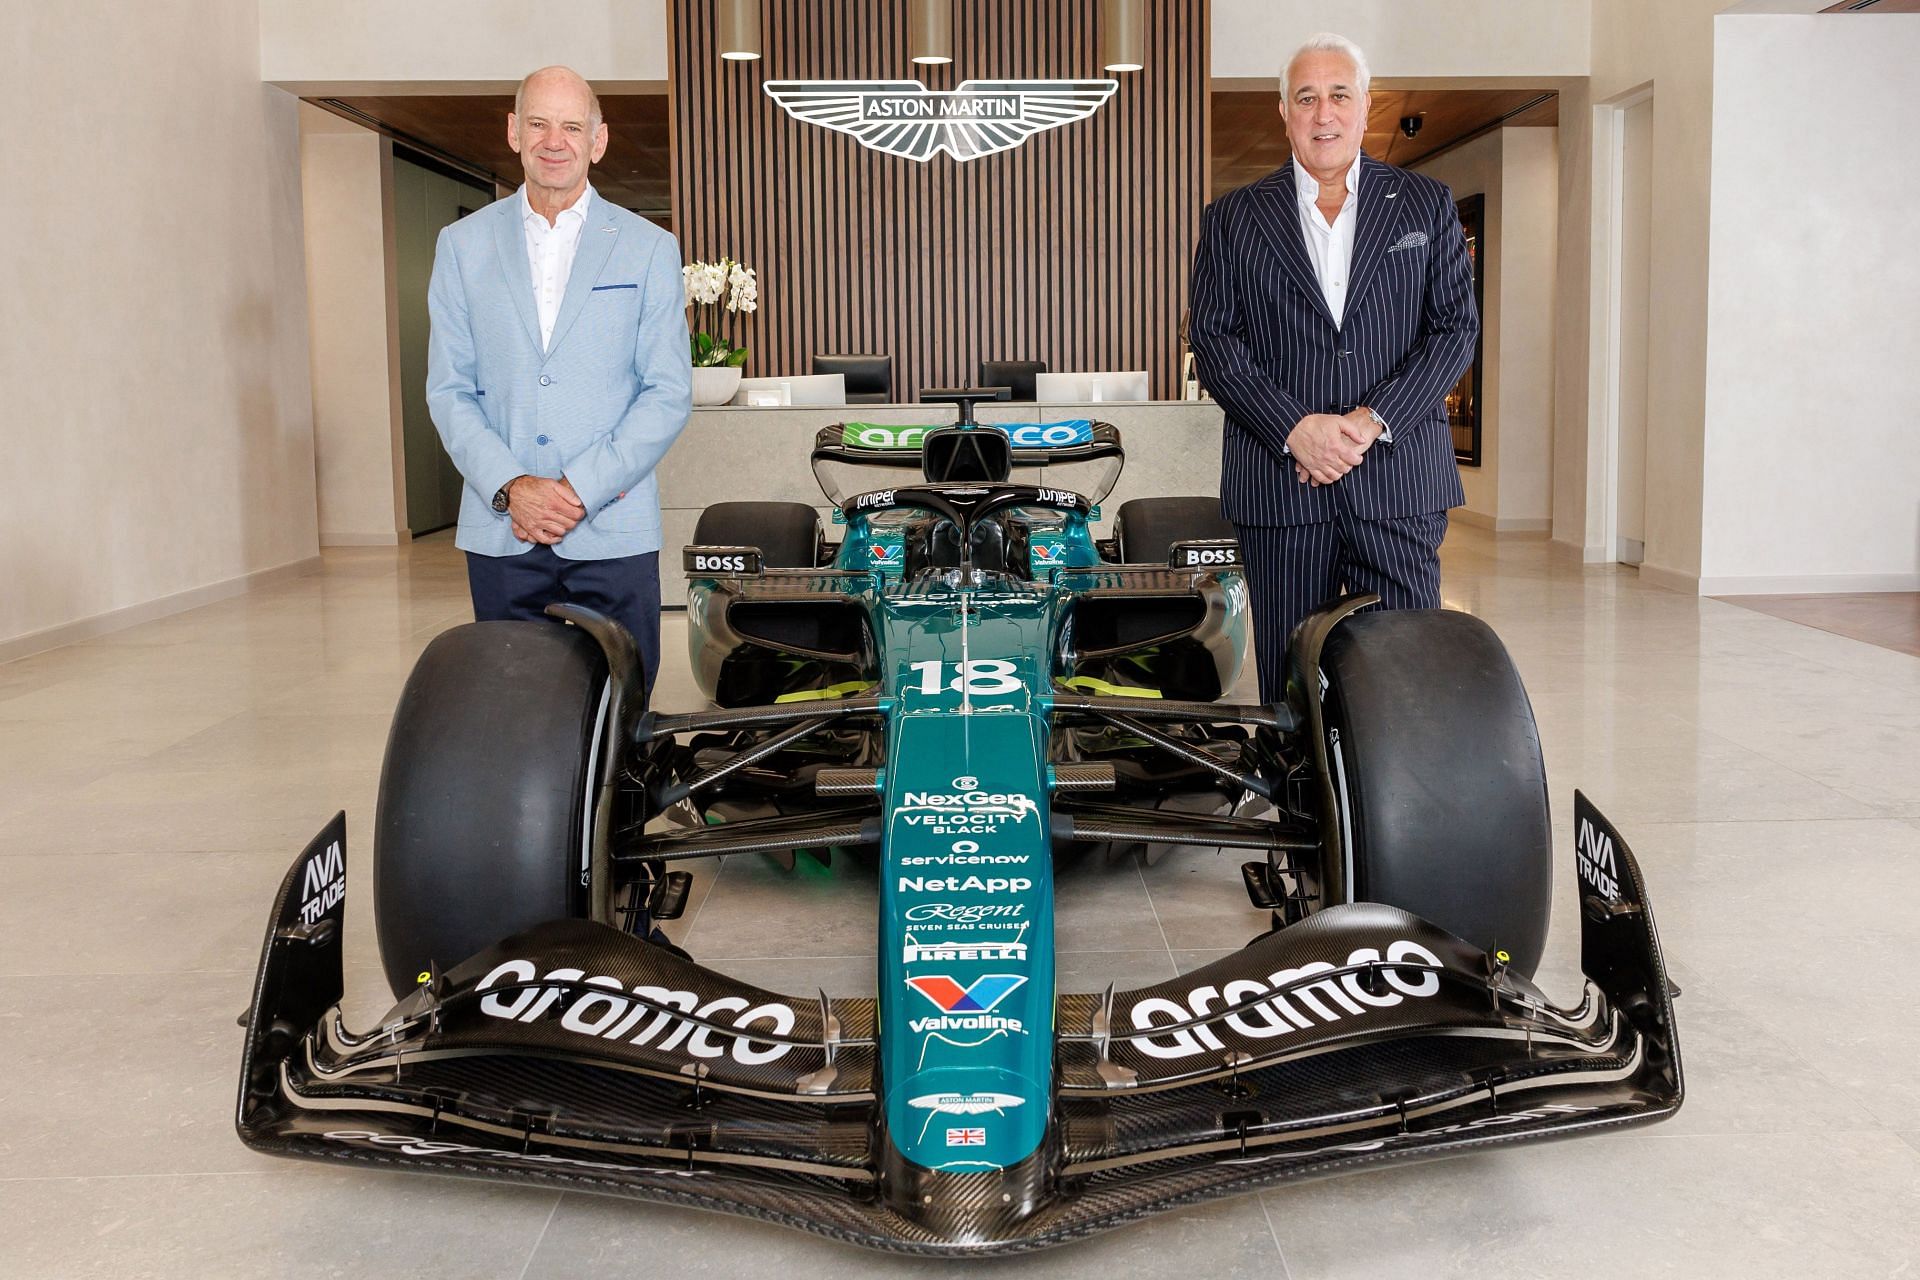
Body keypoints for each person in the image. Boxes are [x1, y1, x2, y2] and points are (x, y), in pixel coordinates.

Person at [1187, 33, 1477, 701]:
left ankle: (1400, 806)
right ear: (1283, 111)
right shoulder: (1233, 219)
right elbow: (1216, 341)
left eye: (1339, 95)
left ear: (1366, 106)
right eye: (1307, 97)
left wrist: (1372, 421)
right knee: (1293, 687)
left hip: (1399, 485)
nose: (1324, 113)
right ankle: (1299, 809)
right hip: (1283, 487)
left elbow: (1454, 331)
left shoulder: (1426, 205)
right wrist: (1295, 429)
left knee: (1409, 674)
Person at [427, 65, 692, 694]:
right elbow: (449, 389)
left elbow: (667, 392)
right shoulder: (462, 246)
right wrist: (512, 486)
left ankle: (617, 800)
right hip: (503, 530)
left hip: (613, 527)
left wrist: (577, 490)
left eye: (572, 126)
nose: (555, 140)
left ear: (597, 141)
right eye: (540, 123)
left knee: (622, 712)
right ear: (514, 131)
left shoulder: (648, 247)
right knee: (511, 710)